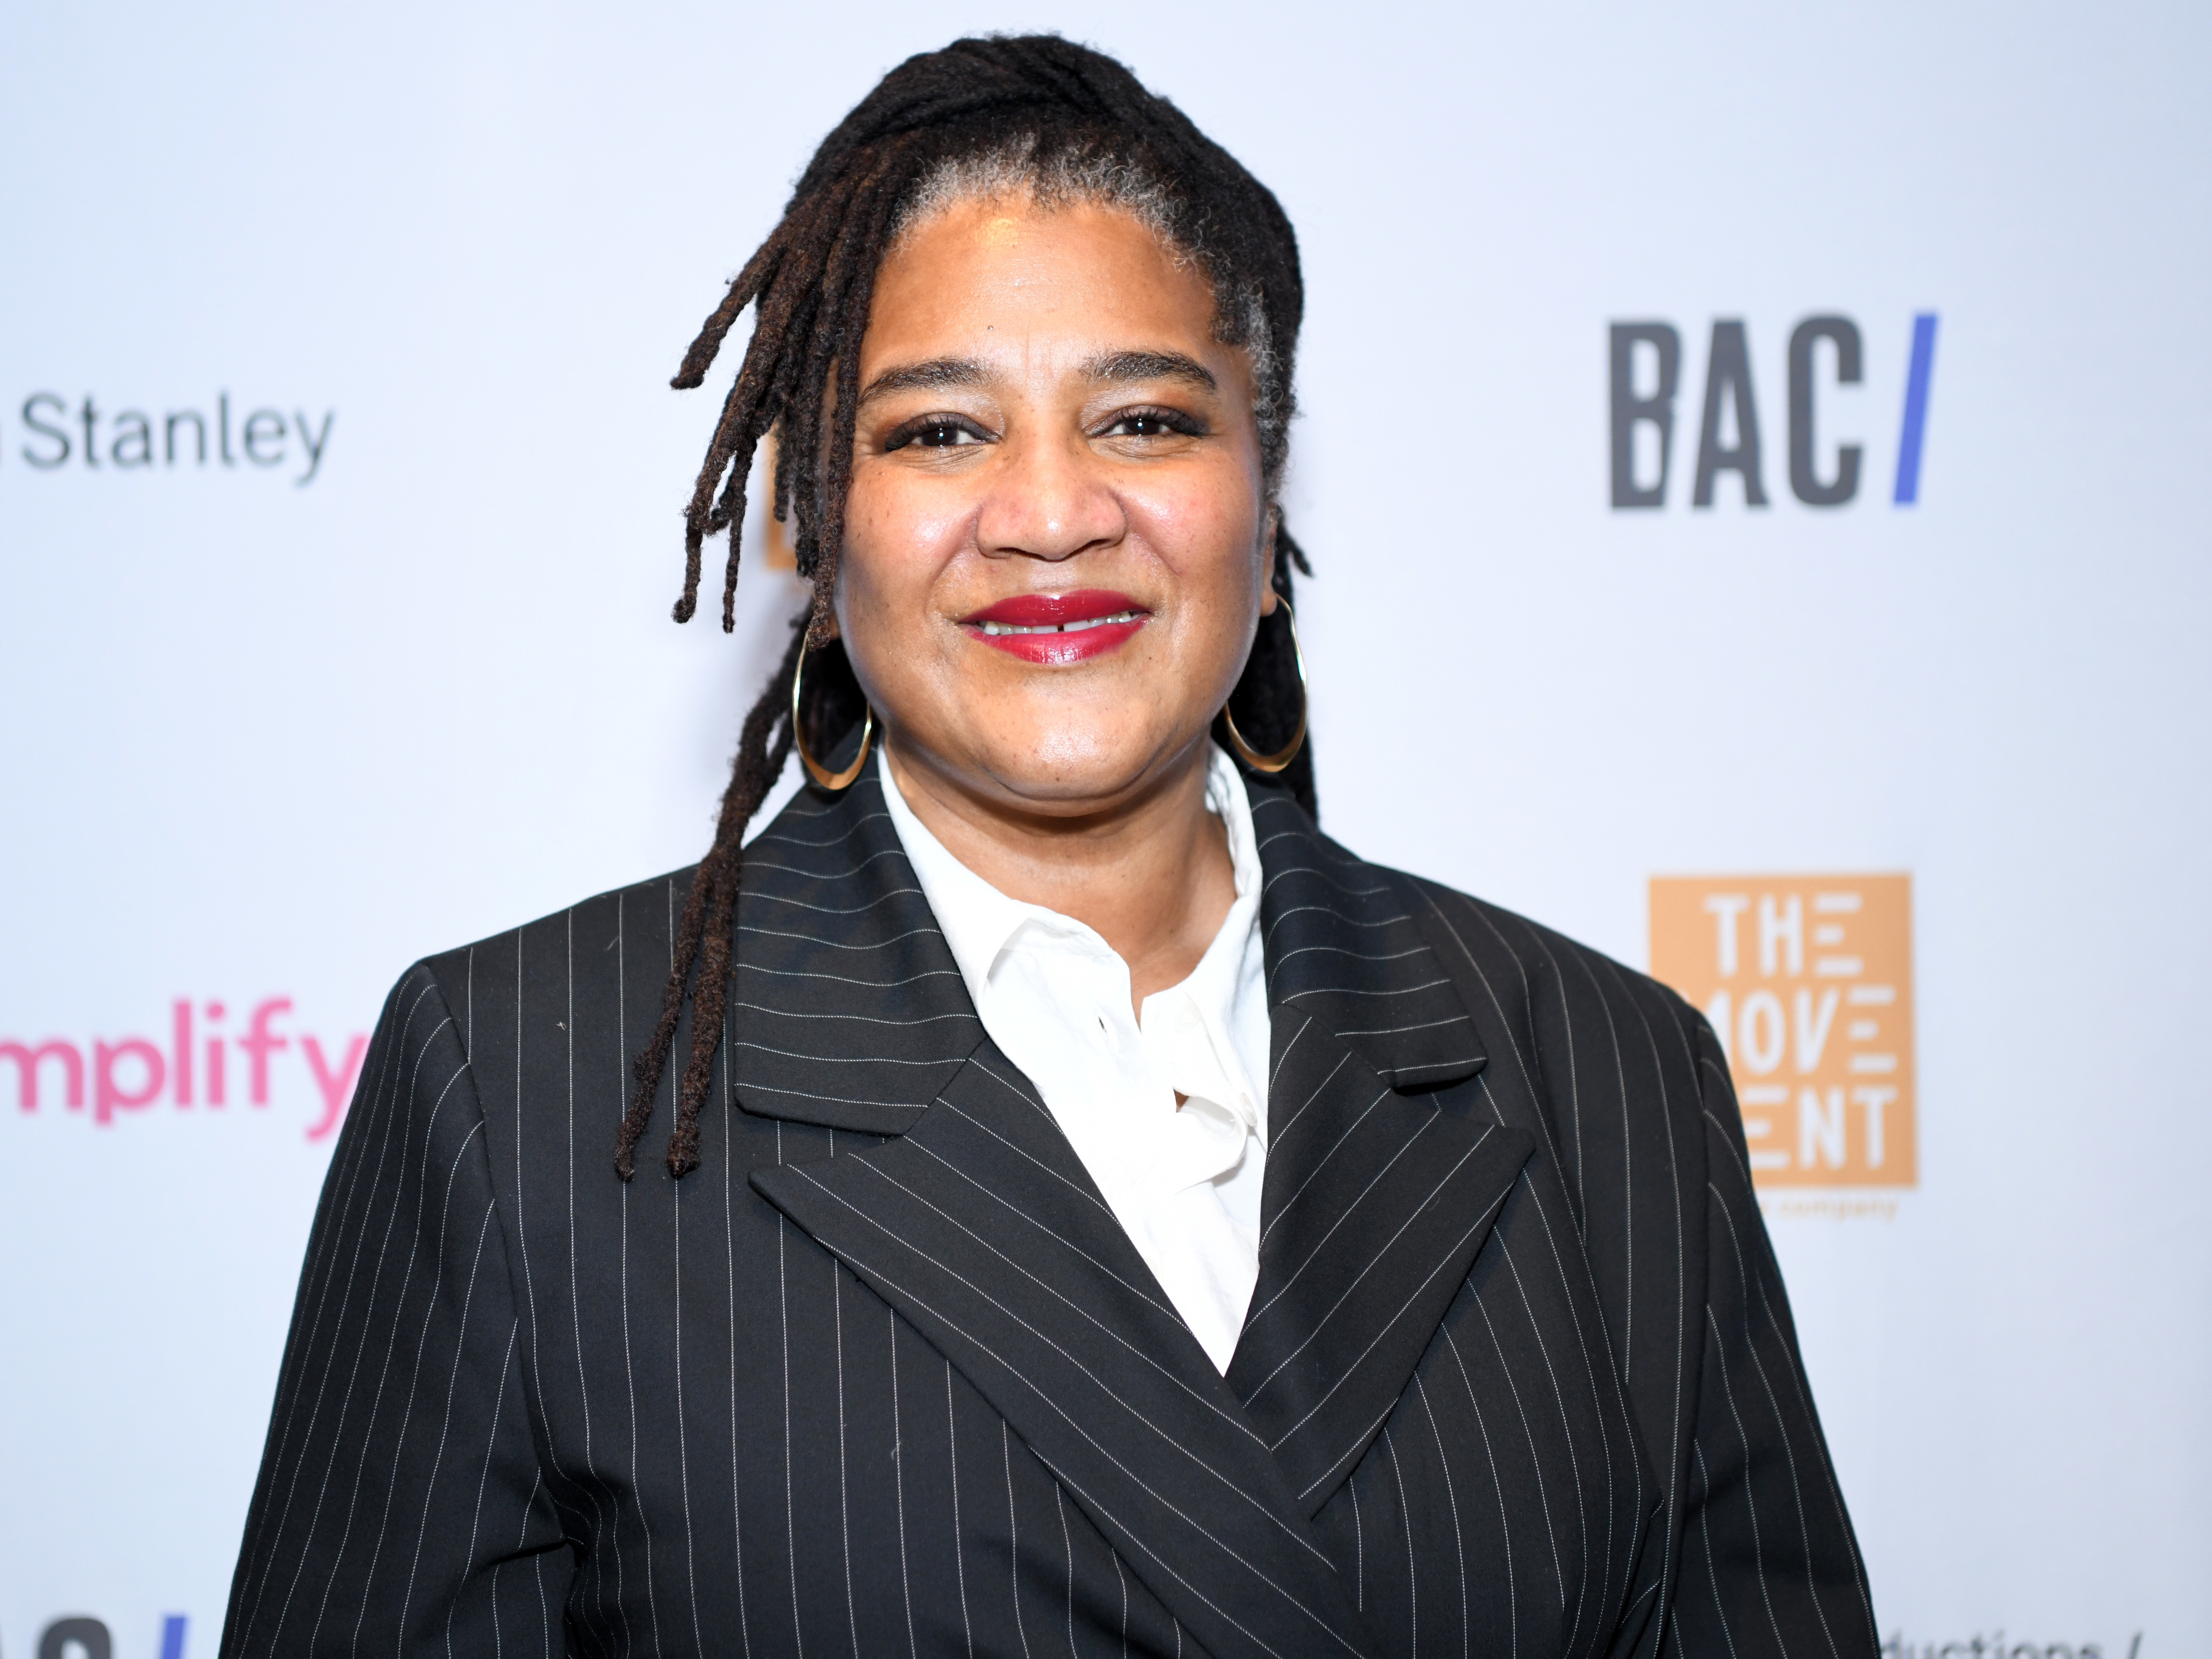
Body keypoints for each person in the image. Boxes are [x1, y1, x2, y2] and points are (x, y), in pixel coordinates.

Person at [221, 35, 1874, 1659]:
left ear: (1265, 507)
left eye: (1143, 420)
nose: (1052, 512)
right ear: (821, 526)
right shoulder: (525, 1087)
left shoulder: (1609, 1074)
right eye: (939, 431)